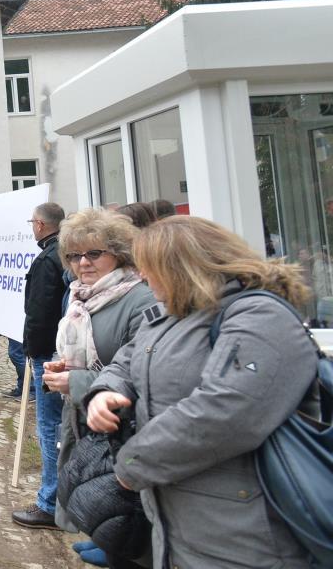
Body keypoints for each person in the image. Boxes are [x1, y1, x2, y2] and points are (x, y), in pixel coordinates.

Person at [86, 217, 317, 569]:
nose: (144, 278)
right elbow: (127, 360)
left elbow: (226, 412)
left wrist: (132, 465)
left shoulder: (259, 315)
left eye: (150, 268)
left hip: (244, 531)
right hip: (181, 522)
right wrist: (105, 391)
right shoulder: (171, 315)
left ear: (182, 267)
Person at [35, 208, 156, 565]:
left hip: (121, 424)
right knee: (97, 492)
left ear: (118, 253)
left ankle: (123, 547)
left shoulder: (139, 298)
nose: (82, 263)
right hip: (85, 414)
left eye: (93, 253)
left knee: (123, 503)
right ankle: (109, 539)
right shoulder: (81, 294)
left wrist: (78, 379)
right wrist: (66, 368)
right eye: (74, 256)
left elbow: (139, 371)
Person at [12, 202, 69, 530]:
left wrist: (33, 351)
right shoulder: (58, 253)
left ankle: (49, 503)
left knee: (49, 426)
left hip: (49, 353)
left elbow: (40, 310)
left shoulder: (49, 258)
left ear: (41, 225)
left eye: (33, 221)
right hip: (56, 350)